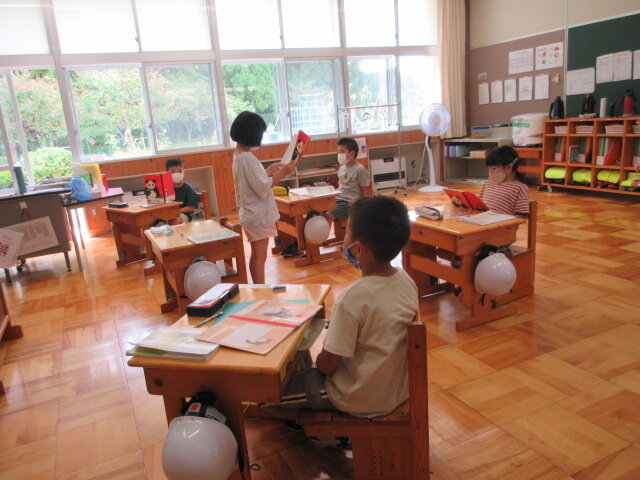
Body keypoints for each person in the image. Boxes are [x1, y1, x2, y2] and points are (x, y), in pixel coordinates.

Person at [265, 195, 419, 419]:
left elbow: (326, 366)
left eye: (346, 232)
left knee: (269, 393)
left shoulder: (351, 299)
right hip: (393, 389)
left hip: (355, 395)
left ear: (359, 249)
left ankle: (305, 424)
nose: (343, 238)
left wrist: (321, 356)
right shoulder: (406, 281)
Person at [230, 111, 297, 284]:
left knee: (257, 255)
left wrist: (267, 171)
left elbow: (251, 181)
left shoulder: (239, 155)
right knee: (259, 257)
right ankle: (260, 289)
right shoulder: (247, 158)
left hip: (251, 212)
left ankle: (259, 287)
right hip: (257, 214)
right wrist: (282, 173)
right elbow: (262, 187)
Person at [479, 145, 530, 216]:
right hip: (484, 220)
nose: (490, 172)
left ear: (508, 167)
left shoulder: (519, 187)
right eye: (489, 169)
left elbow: (521, 216)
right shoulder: (488, 183)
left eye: (494, 168)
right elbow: (479, 206)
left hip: (503, 222)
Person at [166, 157, 199, 225]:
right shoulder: (166, 188)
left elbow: (192, 207)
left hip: (183, 215)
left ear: (184, 172)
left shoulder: (188, 187)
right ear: (167, 173)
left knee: (175, 220)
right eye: (173, 172)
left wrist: (177, 211)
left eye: (180, 171)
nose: (177, 174)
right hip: (168, 214)